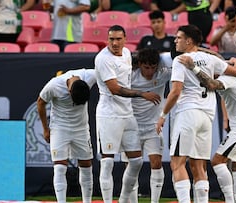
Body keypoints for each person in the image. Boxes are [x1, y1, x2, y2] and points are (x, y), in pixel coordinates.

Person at [155, 25, 236, 203]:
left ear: (188, 40)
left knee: (177, 163)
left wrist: (163, 115)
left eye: (179, 37)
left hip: (188, 114)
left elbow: (175, 92)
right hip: (207, 117)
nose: (175, 41)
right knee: (198, 166)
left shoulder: (181, 60)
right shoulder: (210, 59)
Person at [179, 54, 236, 203]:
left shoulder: (228, 78)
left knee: (217, 161)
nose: (211, 70)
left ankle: (230, 200)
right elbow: (231, 64)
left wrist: (194, 67)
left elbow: (211, 84)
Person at [94, 25, 161, 203]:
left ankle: (124, 200)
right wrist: (141, 94)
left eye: (118, 39)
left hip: (127, 114)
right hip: (109, 115)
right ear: (107, 39)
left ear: (125, 38)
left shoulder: (126, 54)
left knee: (137, 161)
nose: (114, 43)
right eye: (111, 39)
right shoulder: (103, 59)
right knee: (107, 162)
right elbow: (114, 89)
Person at [36, 68, 96, 203]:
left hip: (81, 129)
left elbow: (106, 73)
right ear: (69, 91)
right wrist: (46, 129)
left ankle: (87, 201)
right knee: (59, 166)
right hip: (59, 128)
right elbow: (40, 102)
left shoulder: (89, 75)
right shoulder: (54, 85)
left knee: (86, 164)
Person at [123, 48, 172, 203]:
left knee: (156, 163)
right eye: (146, 67)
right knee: (131, 166)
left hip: (153, 127)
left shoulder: (163, 74)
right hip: (132, 128)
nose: (150, 71)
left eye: (153, 67)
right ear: (139, 64)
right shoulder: (129, 77)